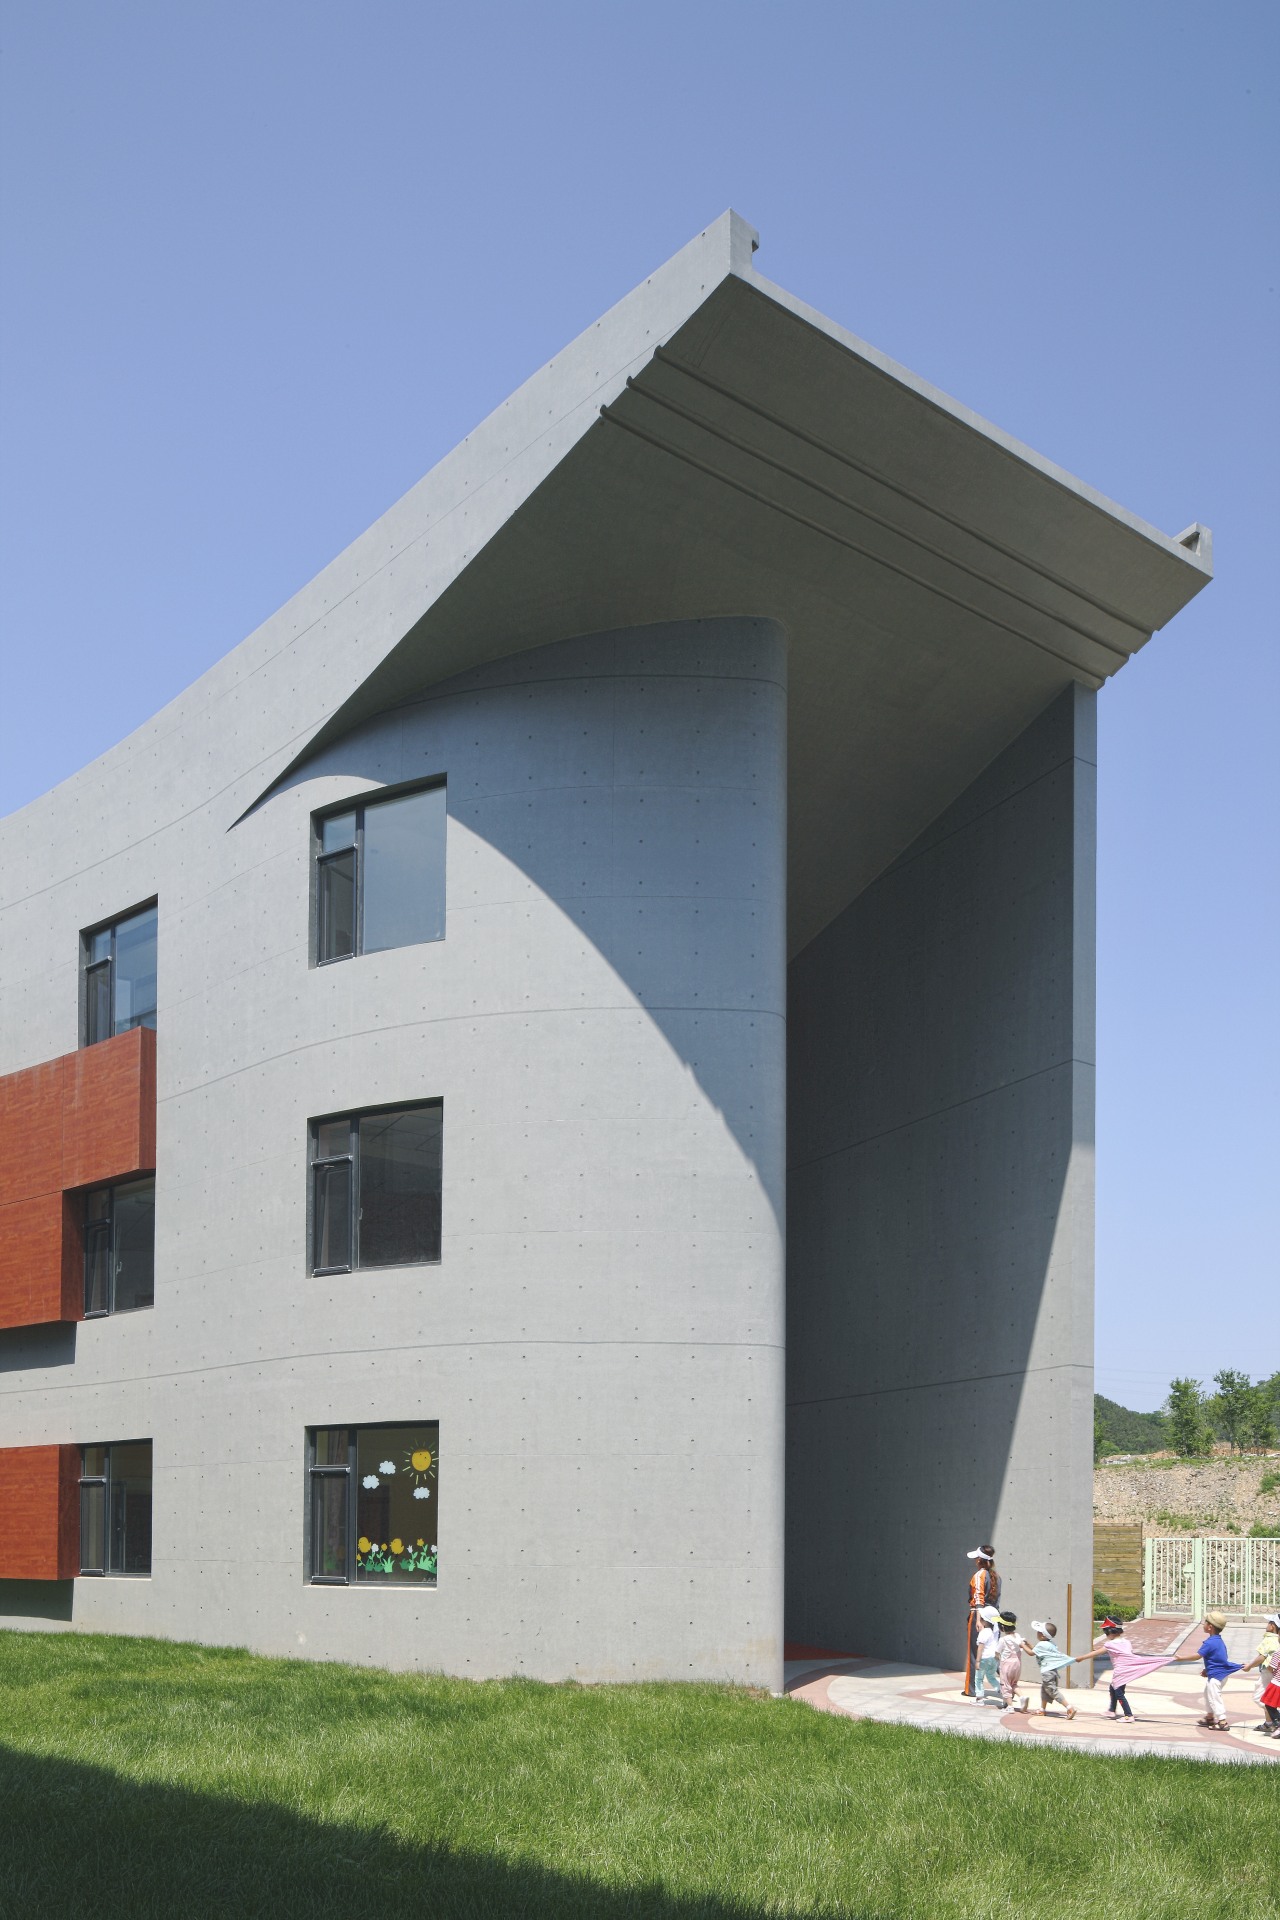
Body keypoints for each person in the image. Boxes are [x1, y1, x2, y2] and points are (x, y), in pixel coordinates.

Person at [1169, 1609, 1242, 1730]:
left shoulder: (1210, 1643)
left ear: (1210, 1627)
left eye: (1205, 1622)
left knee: (1214, 1696)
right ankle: (1209, 1717)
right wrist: (1207, 1670)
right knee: (1208, 1694)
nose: (1203, 1624)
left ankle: (1222, 1722)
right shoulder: (1218, 1641)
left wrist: (1180, 1658)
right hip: (1219, 1674)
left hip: (1217, 1676)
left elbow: (1197, 1656)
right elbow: (1217, 1659)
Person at [962, 1546, 1000, 1695]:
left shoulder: (979, 1575)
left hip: (980, 1616)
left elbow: (978, 1598)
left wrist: (978, 1619)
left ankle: (971, 1689)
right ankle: (1008, 1687)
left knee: (974, 1653)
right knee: (994, 1653)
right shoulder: (996, 1576)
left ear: (979, 1560)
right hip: (995, 1617)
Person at [1020, 1619, 1076, 1719]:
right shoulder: (1050, 1644)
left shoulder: (1041, 1644)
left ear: (1043, 1635)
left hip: (1047, 1673)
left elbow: (1031, 1653)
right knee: (1044, 1690)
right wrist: (1028, 1644)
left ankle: (1069, 1707)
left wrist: (1022, 1645)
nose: (1037, 1633)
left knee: (1052, 1691)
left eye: (1038, 1632)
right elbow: (1037, 1651)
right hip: (1052, 1671)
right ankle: (1042, 1709)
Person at [1239, 1611, 1280, 1735]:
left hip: (1267, 1672)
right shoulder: (1276, 1640)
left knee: (1260, 1697)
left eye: (1269, 1623)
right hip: (1273, 1673)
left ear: (1273, 1626)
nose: (1267, 1625)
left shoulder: (1268, 1639)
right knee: (1268, 1697)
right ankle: (1269, 1723)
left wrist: (1249, 1666)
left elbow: (1261, 1657)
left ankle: (1275, 1720)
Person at [996, 1611, 1028, 1712]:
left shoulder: (1003, 1639)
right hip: (1017, 1664)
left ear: (1002, 1627)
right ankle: (1022, 1696)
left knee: (1005, 1685)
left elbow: (997, 1652)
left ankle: (1010, 1706)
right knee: (1013, 1683)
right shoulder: (1018, 1636)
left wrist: (997, 1658)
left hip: (1006, 1665)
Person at [973, 1604, 1003, 1704]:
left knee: (979, 1678)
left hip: (984, 1659)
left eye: (981, 1618)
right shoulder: (994, 1632)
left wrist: (977, 1661)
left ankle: (979, 1699)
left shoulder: (984, 1632)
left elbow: (980, 1648)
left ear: (985, 1620)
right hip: (993, 1658)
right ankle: (1001, 1691)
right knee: (991, 1677)